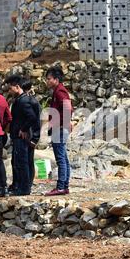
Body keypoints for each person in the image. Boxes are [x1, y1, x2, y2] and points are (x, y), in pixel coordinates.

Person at [5, 75, 39, 195]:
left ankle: (24, 189)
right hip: (18, 135)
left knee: (22, 162)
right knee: (21, 161)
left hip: (21, 137)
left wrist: (24, 129)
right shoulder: (21, 99)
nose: (9, 91)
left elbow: (32, 117)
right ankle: (21, 185)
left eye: (10, 88)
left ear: (17, 87)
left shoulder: (23, 100)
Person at [44, 66, 73, 196]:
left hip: (60, 129)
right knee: (64, 158)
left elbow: (68, 109)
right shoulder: (58, 91)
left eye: (49, 79)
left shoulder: (60, 92)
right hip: (61, 128)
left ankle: (61, 186)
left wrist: (63, 123)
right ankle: (64, 186)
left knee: (60, 159)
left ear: (56, 79)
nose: (47, 81)